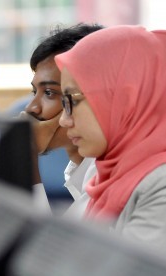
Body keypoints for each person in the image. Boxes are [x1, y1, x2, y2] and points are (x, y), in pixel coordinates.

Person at [55, 25, 166, 246]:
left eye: (71, 101)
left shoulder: (160, 185)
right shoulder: (108, 173)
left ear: (126, 98)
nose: (63, 120)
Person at [21, 23, 103, 216]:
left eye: (49, 92)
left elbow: (38, 245)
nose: (30, 107)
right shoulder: (83, 172)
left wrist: (25, 158)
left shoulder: (115, 178)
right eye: (35, 91)